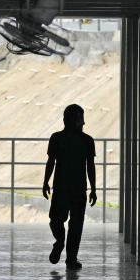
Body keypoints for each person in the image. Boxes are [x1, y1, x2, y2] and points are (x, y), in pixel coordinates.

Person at [42, 104, 97, 270]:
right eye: (81, 119)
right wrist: (93, 189)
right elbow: (90, 167)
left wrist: (46, 182)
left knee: (57, 220)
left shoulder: (57, 138)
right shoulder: (86, 140)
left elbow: (51, 162)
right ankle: (68, 255)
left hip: (62, 187)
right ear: (76, 120)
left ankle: (63, 246)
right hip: (78, 188)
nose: (84, 123)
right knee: (75, 225)